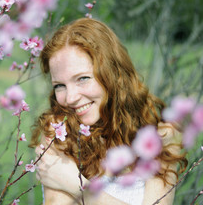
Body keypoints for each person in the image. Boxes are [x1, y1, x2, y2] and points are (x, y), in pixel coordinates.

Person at [30, 18, 187, 205]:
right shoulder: (59, 132)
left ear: (112, 73)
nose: (70, 98)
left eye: (82, 78)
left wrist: (78, 187)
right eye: (60, 85)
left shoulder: (162, 136)